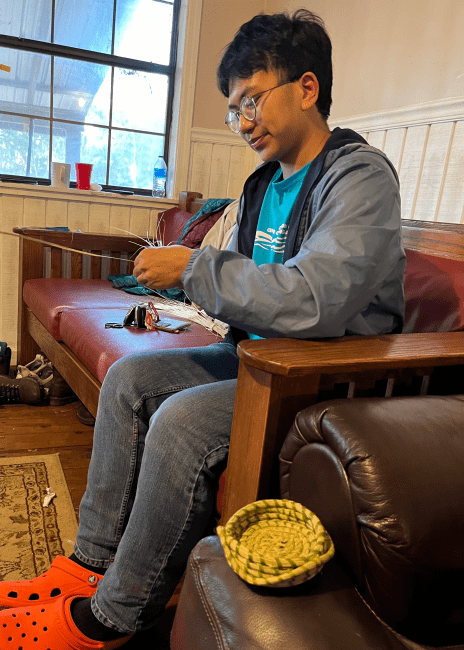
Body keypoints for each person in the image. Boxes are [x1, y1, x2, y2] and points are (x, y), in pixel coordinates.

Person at [0, 9, 405, 648]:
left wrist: (194, 268)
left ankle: (117, 614)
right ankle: (90, 564)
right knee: (131, 378)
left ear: (307, 88)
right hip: (262, 356)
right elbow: (250, 290)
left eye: (252, 99)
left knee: (182, 422)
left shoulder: (358, 176)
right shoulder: (264, 183)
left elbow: (317, 299)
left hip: (325, 374)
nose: (243, 122)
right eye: (232, 108)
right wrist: (197, 288)